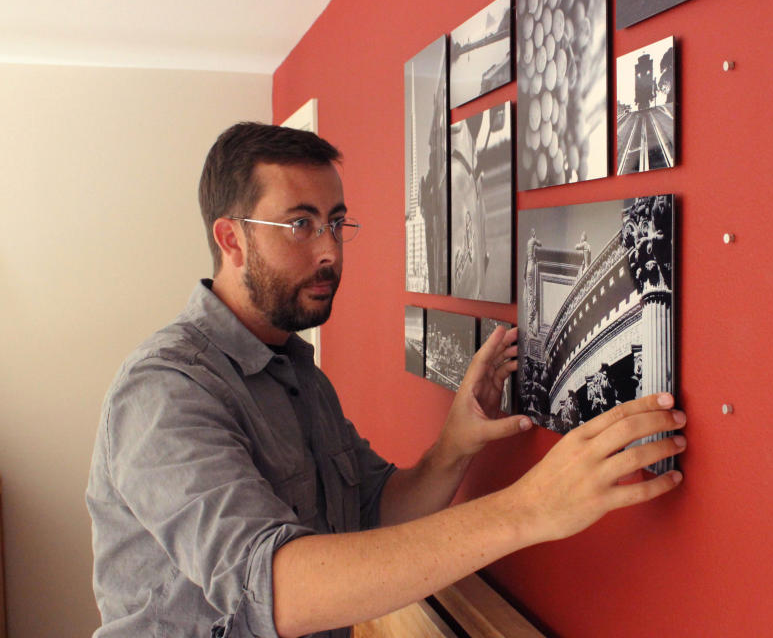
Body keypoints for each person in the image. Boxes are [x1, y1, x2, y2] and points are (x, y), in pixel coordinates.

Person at [86, 122, 687, 638]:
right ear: (231, 239)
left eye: (336, 222)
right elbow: (274, 589)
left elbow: (376, 513)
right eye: (300, 224)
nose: (329, 251)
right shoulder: (163, 390)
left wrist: (454, 445)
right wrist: (528, 508)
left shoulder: (298, 371)